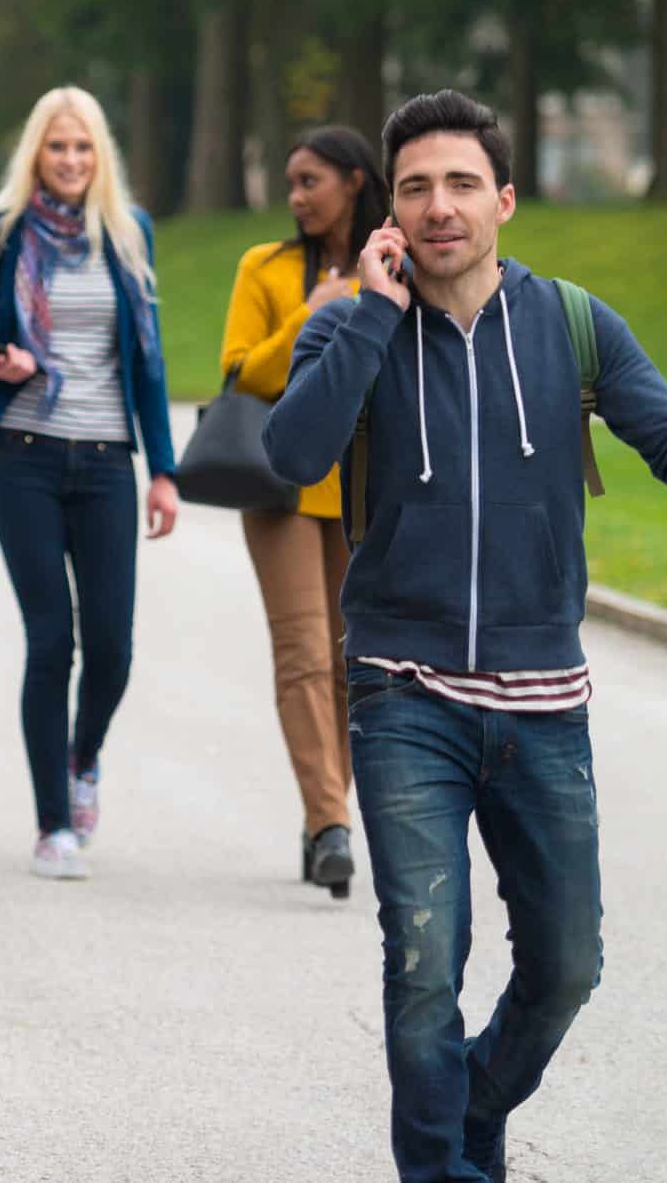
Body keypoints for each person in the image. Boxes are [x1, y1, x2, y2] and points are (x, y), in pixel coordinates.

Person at [264, 90, 667, 1183]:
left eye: (459, 184)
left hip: (543, 707)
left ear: (503, 198)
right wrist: (364, 310)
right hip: (404, 698)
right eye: (414, 187)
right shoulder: (352, 319)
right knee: (421, 964)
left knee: (565, 966)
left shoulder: (571, 324)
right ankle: (444, 1169)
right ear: (386, 211)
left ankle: (470, 1110)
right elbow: (291, 453)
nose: (439, 206)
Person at [0, 86, 178, 881]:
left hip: (108, 462)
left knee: (112, 647)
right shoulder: (1, 231)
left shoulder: (126, 233)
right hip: (24, 453)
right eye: (58, 148)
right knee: (53, 639)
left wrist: (164, 474)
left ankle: (84, 761)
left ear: (100, 155)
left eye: (83, 148)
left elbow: (148, 364)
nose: (72, 161)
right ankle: (53, 822)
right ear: (36, 155)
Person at [218, 123, 388, 899]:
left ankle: (328, 812)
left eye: (310, 180)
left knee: (357, 660)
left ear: (355, 180)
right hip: (280, 486)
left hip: (364, 488)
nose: (296, 197)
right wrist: (314, 311)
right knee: (304, 652)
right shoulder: (264, 267)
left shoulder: (393, 266)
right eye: (290, 183)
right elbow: (242, 375)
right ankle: (329, 823)